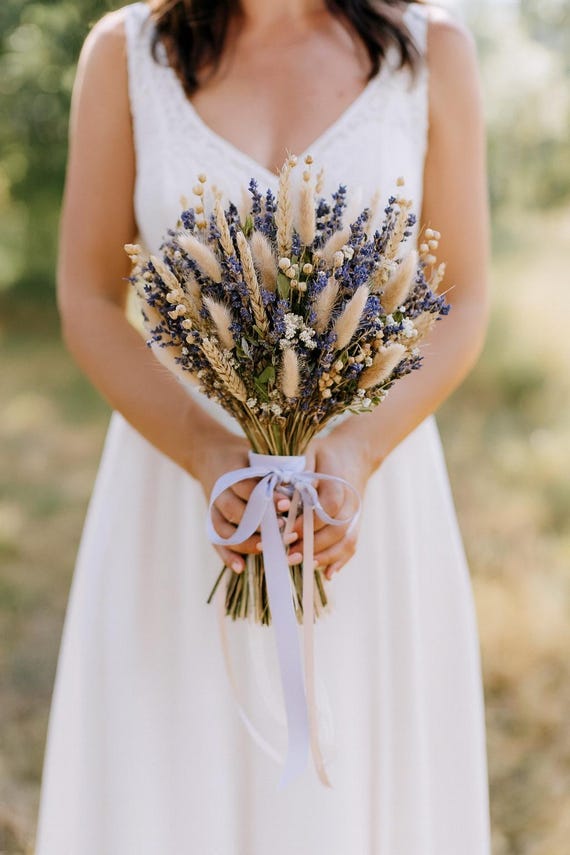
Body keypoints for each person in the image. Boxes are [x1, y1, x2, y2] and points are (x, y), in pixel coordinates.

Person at [34, 0, 492, 852]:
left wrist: (354, 451)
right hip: (176, 491)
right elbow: (88, 295)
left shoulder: (435, 51)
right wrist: (212, 458)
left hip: (365, 495)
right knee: (173, 779)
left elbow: (461, 295)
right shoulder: (127, 52)